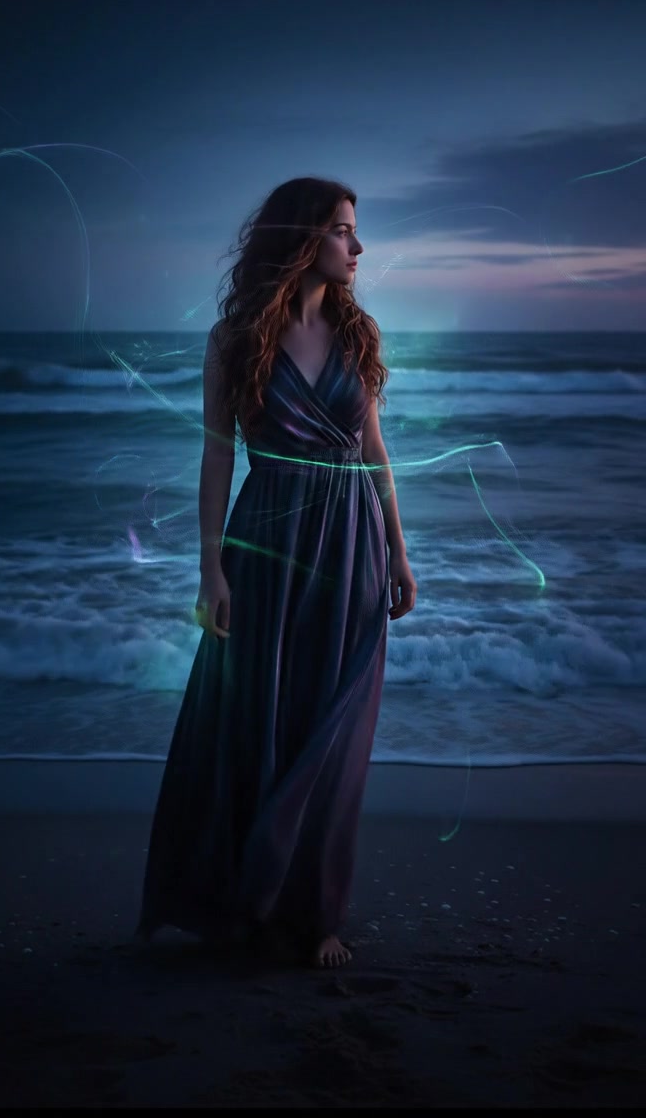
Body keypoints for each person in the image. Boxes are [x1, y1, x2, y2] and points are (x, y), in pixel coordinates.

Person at [135, 176, 417, 968]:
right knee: (257, 720)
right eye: (342, 230)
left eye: (355, 232)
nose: (357, 248)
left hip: (350, 544)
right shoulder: (236, 338)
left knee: (335, 727)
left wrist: (397, 552)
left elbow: (373, 454)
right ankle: (245, 899)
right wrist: (209, 570)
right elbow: (218, 456)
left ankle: (317, 913)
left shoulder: (360, 335)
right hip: (266, 544)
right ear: (302, 237)